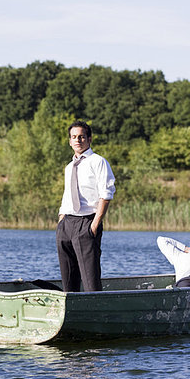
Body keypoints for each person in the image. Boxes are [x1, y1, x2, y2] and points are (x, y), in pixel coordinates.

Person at [56, 121, 116, 292]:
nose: (78, 140)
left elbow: (106, 194)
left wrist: (95, 224)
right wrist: (61, 221)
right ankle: (72, 314)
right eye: (74, 137)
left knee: (90, 281)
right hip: (66, 224)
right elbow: (67, 194)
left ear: (89, 139)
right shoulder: (69, 167)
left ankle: (95, 314)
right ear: (70, 141)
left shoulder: (98, 162)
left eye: (81, 137)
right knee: (68, 282)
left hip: (87, 223)